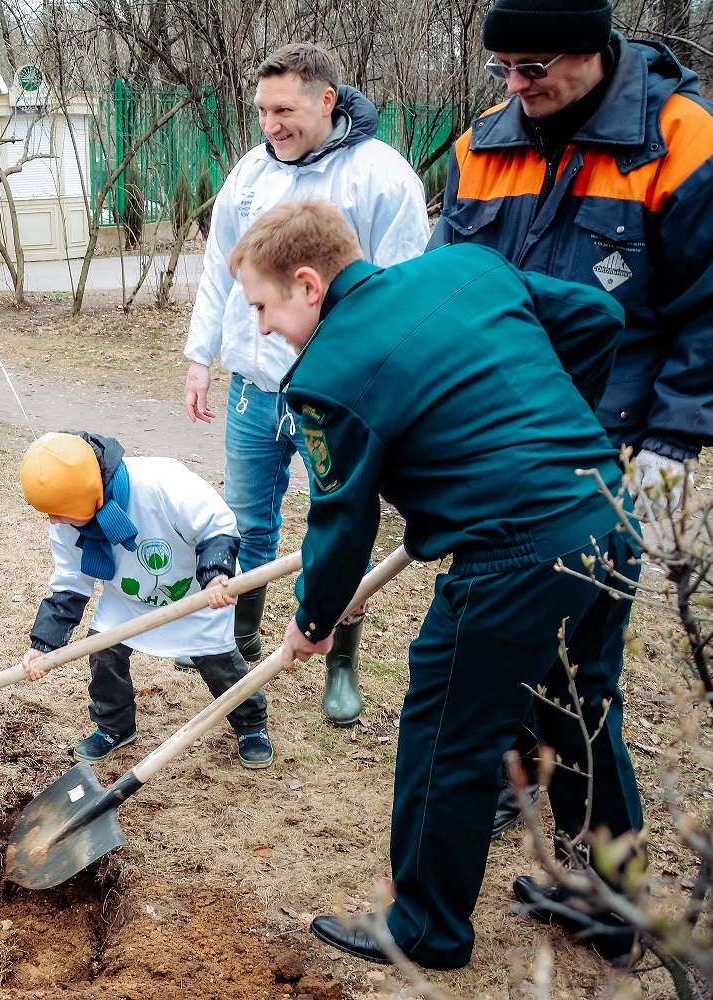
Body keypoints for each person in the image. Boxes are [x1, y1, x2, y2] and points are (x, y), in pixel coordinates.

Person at [235, 200, 641, 969]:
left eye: (262, 305)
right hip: (606, 516)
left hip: (513, 557)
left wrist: (313, 620)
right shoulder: (466, 266)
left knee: (448, 734)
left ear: (308, 284)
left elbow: (341, 522)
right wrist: (555, 434)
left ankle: (426, 928)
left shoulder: (327, 374)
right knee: (582, 715)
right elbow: (596, 316)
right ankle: (611, 905)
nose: (260, 327)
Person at [428, 0, 713, 848]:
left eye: (535, 68)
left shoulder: (680, 139)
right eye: (502, 69)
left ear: (593, 49)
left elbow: (707, 309)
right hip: (500, 448)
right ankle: (512, 785)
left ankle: (604, 887)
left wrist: (674, 439)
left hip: (609, 451)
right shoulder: (482, 144)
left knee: (581, 673)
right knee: (505, 637)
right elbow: (453, 289)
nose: (517, 88)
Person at [181, 43, 429, 727]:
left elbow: (402, 290)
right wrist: (201, 356)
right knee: (246, 518)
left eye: (283, 109)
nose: (270, 125)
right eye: (261, 110)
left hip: (343, 394)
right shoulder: (252, 173)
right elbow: (217, 269)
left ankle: (340, 661)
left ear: (327, 99)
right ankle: (241, 636)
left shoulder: (381, 178)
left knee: (342, 520)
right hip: (257, 385)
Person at [16, 432, 272, 768]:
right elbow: (70, 584)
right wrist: (43, 644)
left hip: (197, 592)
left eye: (58, 513)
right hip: (128, 596)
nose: (52, 520)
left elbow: (216, 525)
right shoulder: (68, 520)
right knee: (102, 652)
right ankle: (114, 726)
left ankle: (251, 724)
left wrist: (217, 576)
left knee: (219, 664)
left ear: (88, 497)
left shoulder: (160, 483)